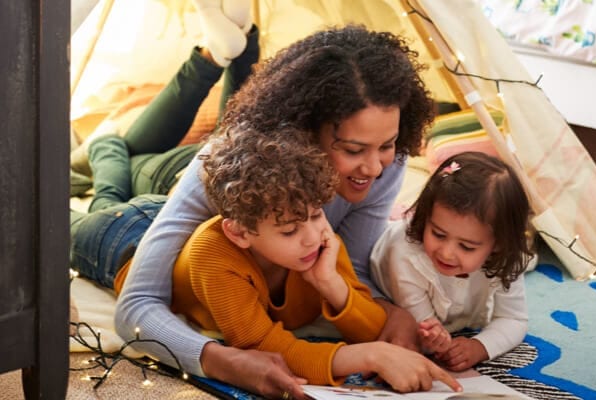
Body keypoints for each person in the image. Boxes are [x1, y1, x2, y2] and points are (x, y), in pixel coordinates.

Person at [108, 15, 435, 399]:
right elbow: (135, 307)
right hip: (133, 224)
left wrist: (387, 310)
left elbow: (351, 269)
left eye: (387, 145)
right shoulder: (220, 164)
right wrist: (219, 359)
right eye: (353, 149)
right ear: (303, 131)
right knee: (113, 187)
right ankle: (106, 151)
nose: (375, 167)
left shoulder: (383, 165)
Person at [70, 128, 461, 393]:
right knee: (61, 219)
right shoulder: (216, 255)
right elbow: (261, 345)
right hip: (121, 240)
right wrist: (369, 355)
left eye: (315, 215)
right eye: (290, 231)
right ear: (240, 233)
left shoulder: (318, 240)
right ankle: (107, 148)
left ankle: (108, 154)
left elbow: (371, 323)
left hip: (180, 223)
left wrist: (331, 284)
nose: (311, 236)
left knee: (107, 197)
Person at [370, 151, 534, 372]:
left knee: (525, 259)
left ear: (499, 244)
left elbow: (514, 319)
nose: (446, 253)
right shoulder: (404, 253)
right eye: (438, 234)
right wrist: (433, 337)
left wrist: (480, 346)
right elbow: (422, 329)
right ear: (426, 217)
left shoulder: (508, 258)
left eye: (466, 246)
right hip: (385, 269)